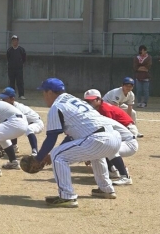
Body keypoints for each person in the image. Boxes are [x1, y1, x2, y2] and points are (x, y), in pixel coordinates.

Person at [34, 78, 121, 207]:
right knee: (96, 154)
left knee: (58, 155)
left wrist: (39, 158)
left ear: (50, 92)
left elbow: (51, 138)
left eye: (44, 92)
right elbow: (73, 136)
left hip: (98, 139)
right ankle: (106, 189)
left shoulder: (57, 106)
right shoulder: (73, 100)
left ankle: (67, 196)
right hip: (114, 138)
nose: (43, 96)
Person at [0, 87, 44, 155]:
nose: (2, 100)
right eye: (2, 98)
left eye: (4, 99)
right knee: (11, 124)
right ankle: (14, 146)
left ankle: (35, 152)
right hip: (26, 123)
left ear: (12, 99)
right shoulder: (9, 107)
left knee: (29, 129)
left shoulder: (17, 109)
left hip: (36, 124)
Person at [6, 35, 26, 99]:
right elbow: (8, 58)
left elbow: (24, 58)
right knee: (11, 82)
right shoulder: (9, 50)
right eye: (13, 40)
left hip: (19, 69)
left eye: (16, 40)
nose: (14, 42)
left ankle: (21, 95)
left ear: (18, 41)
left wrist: (20, 64)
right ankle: (12, 95)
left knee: (20, 82)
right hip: (11, 69)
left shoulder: (21, 50)